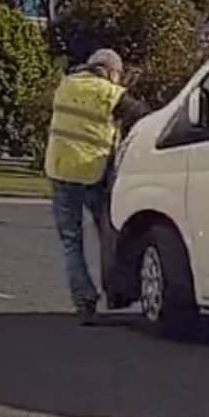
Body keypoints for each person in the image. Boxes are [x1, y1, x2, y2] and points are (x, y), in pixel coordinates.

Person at [44, 49, 150, 325]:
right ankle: (115, 292)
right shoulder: (109, 93)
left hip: (59, 169)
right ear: (112, 71)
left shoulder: (65, 85)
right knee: (108, 234)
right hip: (93, 172)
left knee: (71, 242)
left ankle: (84, 302)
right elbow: (142, 115)